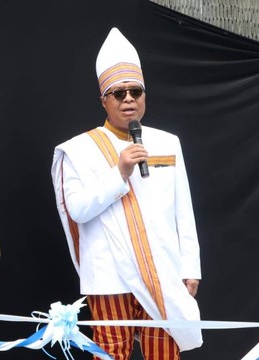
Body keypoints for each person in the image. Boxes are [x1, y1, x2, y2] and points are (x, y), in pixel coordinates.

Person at [51, 28, 203, 360]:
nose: (129, 99)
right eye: (119, 94)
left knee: (164, 353)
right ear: (104, 100)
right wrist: (119, 172)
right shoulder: (78, 150)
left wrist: (190, 266)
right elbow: (77, 210)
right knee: (109, 355)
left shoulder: (167, 142)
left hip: (161, 270)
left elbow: (183, 210)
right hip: (108, 275)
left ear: (145, 95)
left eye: (136, 91)